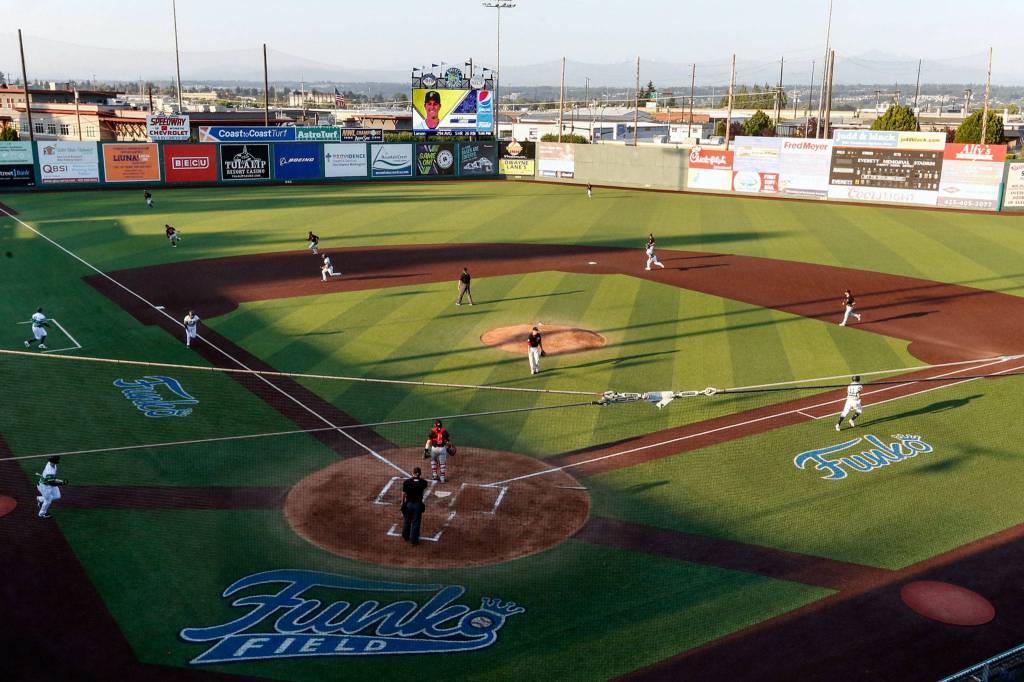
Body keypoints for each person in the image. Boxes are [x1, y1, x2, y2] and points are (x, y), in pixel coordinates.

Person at [401, 467, 429, 545]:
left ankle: (405, 536)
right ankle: (414, 540)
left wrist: (402, 503)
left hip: (408, 504)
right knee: (416, 522)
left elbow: (403, 493)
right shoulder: (423, 483)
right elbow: (423, 482)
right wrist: (417, 478)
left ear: (412, 473)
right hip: (417, 505)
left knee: (407, 521)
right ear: (420, 474)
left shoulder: (406, 482)